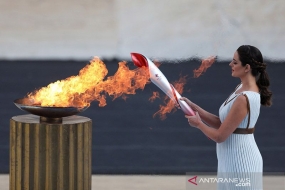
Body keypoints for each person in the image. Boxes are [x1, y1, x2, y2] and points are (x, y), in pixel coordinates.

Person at [181, 45, 272, 189]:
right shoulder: (240, 89)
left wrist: (199, 124)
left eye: (235, 62)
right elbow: (222, 123)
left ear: (247, 67)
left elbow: (220, 136)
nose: (230, 64)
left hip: (242, 163)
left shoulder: (244, 98)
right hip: (229, 160)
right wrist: (195, 107)